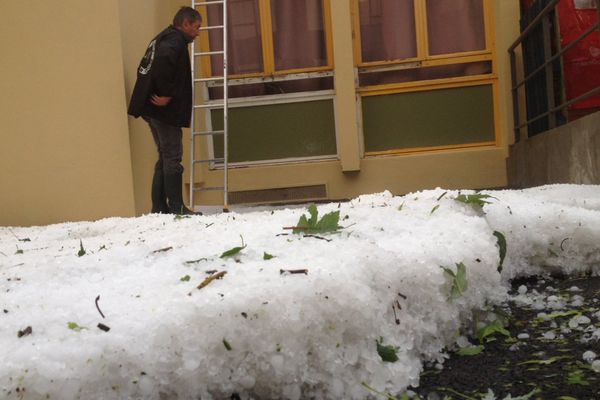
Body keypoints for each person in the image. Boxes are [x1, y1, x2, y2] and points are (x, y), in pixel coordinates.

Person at [128, 7, 202, 215]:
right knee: (172, 155)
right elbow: (163, 61)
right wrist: (167, 94)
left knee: (164, 154)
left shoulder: (162, 37)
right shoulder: (174, 41)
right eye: (196, 27)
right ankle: (177, 207)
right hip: (162, 110)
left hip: (150, 108)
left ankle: (159, 207)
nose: (198, 32)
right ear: (185, 24)